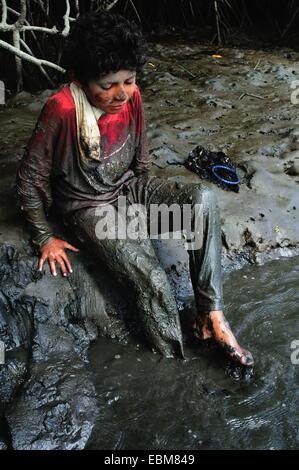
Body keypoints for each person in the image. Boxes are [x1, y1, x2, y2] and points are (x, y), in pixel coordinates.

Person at [16, 11, 253, 366]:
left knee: (201, 200)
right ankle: (176, 363)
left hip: (128, 191)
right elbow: (28, 180)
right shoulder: (61, 108)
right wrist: (44, 237)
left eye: (128, 80)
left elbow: (140, 159)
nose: (120, 94)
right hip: (87, 208)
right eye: (107, 85)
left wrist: (147, 209)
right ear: (79, 80)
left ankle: (211, 317)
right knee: (153, 279)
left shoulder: (133, 96)